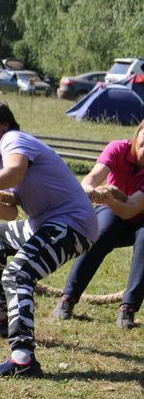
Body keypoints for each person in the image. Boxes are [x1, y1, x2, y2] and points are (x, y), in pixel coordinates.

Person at [0, 96, 98, 377]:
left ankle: (23, 360)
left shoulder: (13, 140)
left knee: (16, 274)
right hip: (41, 224)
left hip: (73, 223)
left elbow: (16, 171)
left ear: (4, 124)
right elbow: (8, 214)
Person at [52, 120, 144, 328]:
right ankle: (68, 298)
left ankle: (128, 308)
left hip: (137, 214)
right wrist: (88, 189)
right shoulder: (118, 148)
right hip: (111, 212)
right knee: (103, 232)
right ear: (137, 135)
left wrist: (110, 199)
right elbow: (93, 177)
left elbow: (130, 207)